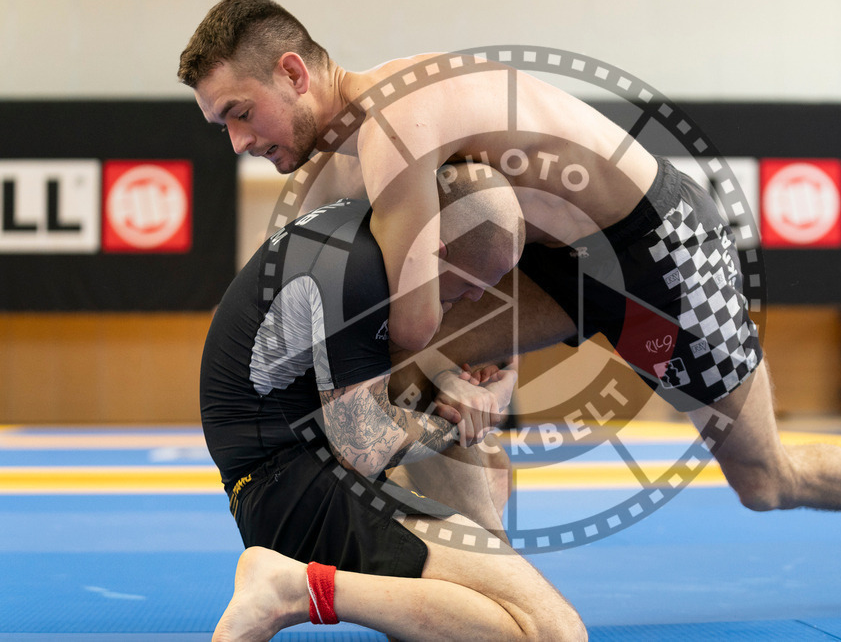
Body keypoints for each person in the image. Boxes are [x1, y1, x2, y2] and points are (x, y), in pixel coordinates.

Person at [181, 0, 841, 590]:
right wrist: (457, 368)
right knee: (416, 381)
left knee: (765, 480)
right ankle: (494, 581)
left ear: (293, 71)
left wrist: (438, 374)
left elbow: (407, 323)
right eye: (222, 126)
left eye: (240, 114)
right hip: (560, 270)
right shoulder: (342, 162)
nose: (240, 142)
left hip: (660, 259)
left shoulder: (395, 125)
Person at [199, 163, 586, 641]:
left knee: (492, 468)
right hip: (295, 492)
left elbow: (443, 362)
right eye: (469, 286)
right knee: (551, 631)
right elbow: (364, 445)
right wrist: (457, 421)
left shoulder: (373, 233)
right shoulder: (355, 274)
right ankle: (294, 588)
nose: (474, 300)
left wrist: (479, 390)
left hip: (296, 472)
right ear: (436, 254)